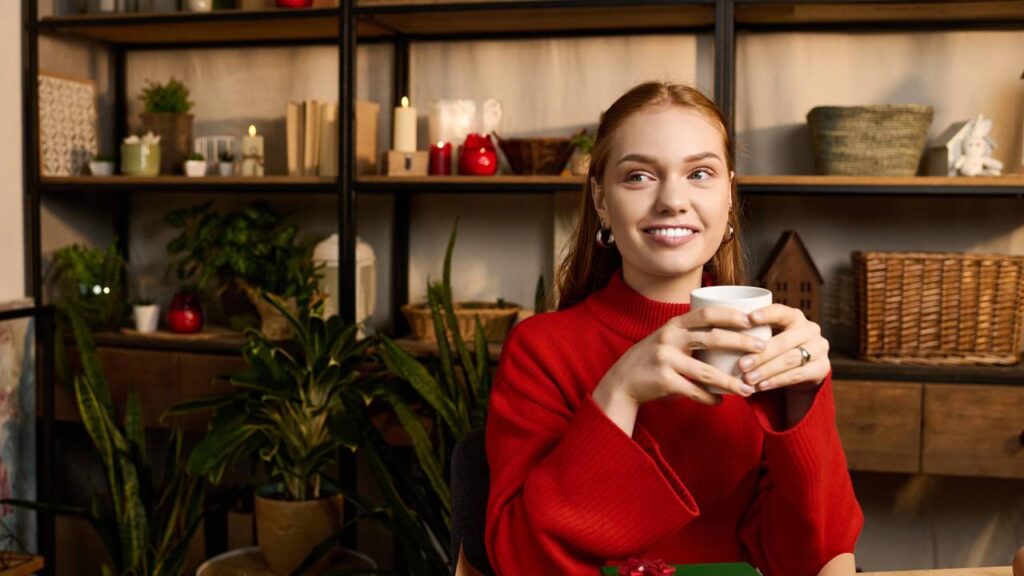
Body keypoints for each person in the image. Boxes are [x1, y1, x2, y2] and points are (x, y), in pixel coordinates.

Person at [484, 82, 863, 575]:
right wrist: (619, 392)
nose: (672, 200)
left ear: (729, 193)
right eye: (639, 176)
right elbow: (521, 561)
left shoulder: (774, 348)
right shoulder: (541, 349)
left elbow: (810, 555)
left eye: (699, 173)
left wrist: (805, 403)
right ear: (601, 200)